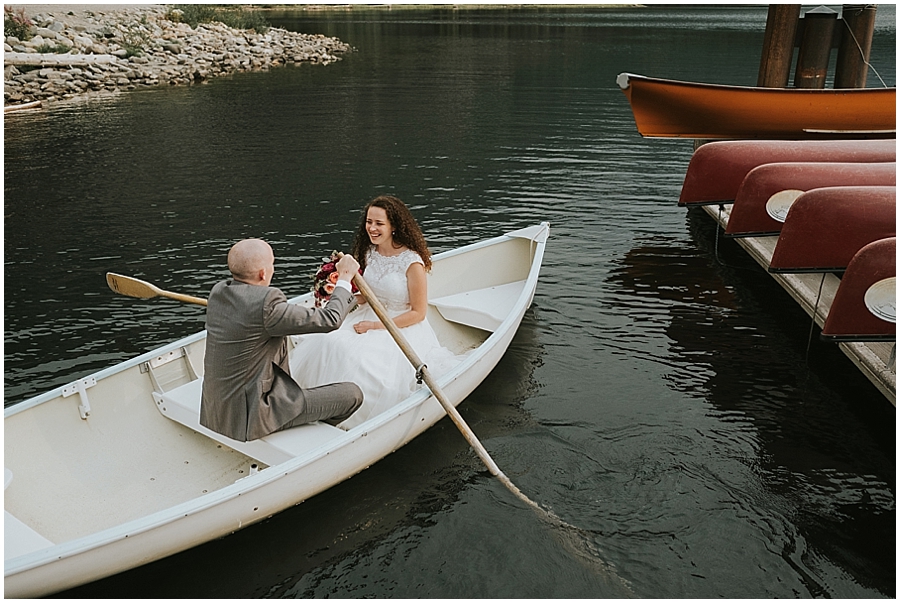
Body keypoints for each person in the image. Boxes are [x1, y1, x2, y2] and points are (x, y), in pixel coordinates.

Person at [290, 195, 464, 430]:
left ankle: (353, 418)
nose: (372, 228)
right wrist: (338, 297)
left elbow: (418, 312)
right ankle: (315, 405)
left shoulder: (412, 262)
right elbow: (368, 295)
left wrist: (374, 326)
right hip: (367, 315)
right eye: (369, 222)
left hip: (399, 325)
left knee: (360, 361)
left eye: (379, 223)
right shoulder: (370, 252)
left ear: (394, 226)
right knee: (329, 342)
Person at [200, 238, 364, 442]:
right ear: (263, 273)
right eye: (272, 264)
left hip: (215, 409)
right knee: (353, 394)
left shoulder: (218, 291)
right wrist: (345, 279)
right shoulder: (267, 304)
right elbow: (330, 319)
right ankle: (304, 434)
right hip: (253, 415)